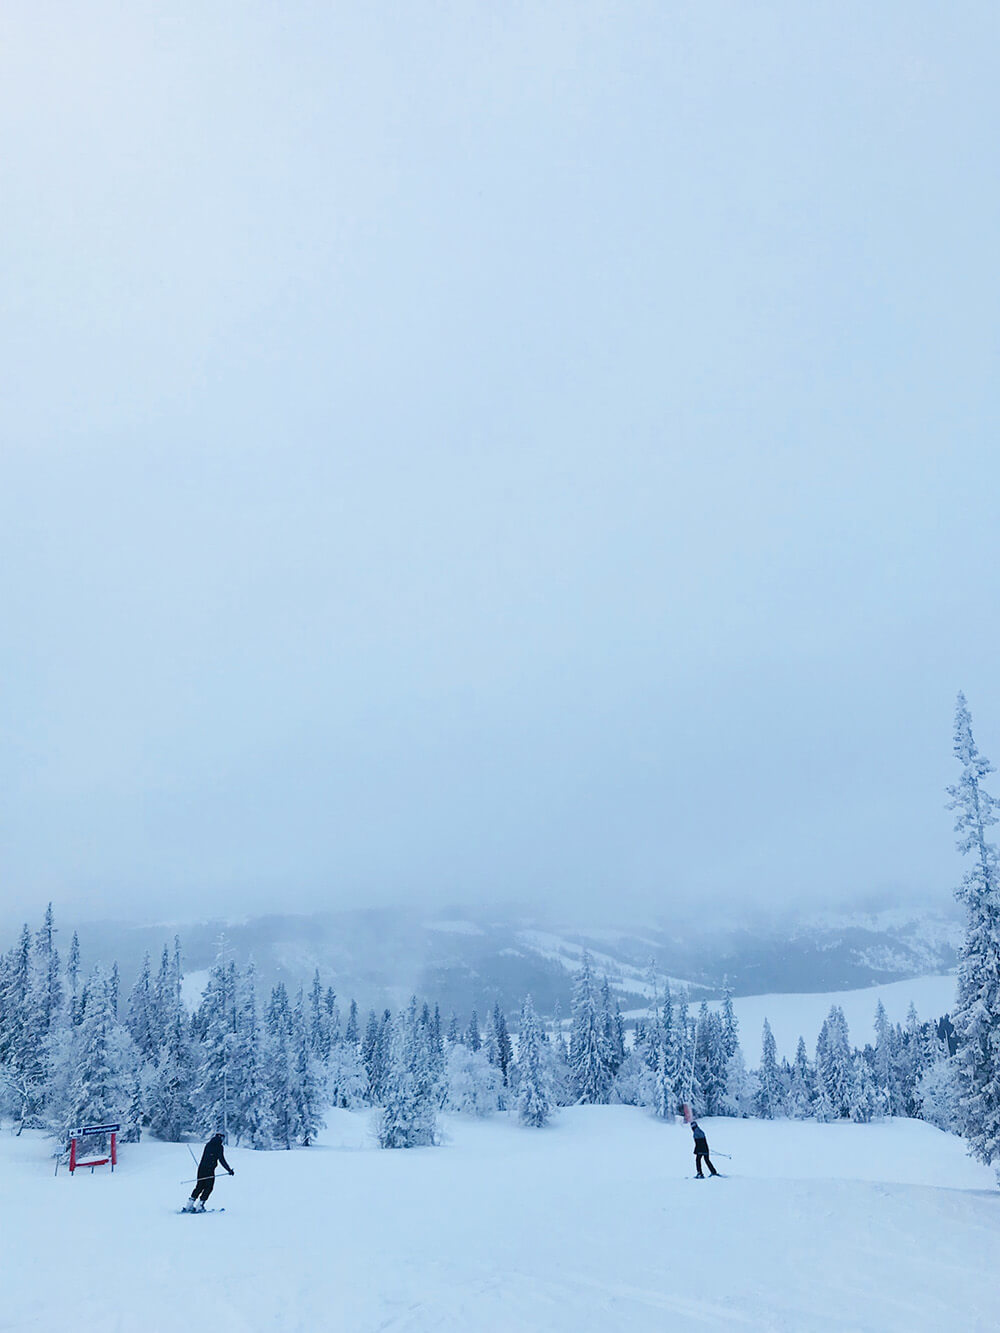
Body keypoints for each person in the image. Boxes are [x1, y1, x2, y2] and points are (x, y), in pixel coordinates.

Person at [184, 1133, 234, 1211]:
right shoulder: (219, 1147)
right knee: (209, 1187)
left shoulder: (208, 1144)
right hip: (209, 1170)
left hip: (201, 1168)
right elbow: (221, 1159)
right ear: (220, 1138)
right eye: (223, 1139)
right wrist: (229, 1170)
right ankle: (200, 1205)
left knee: (199, 1186)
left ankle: (189, 1205)